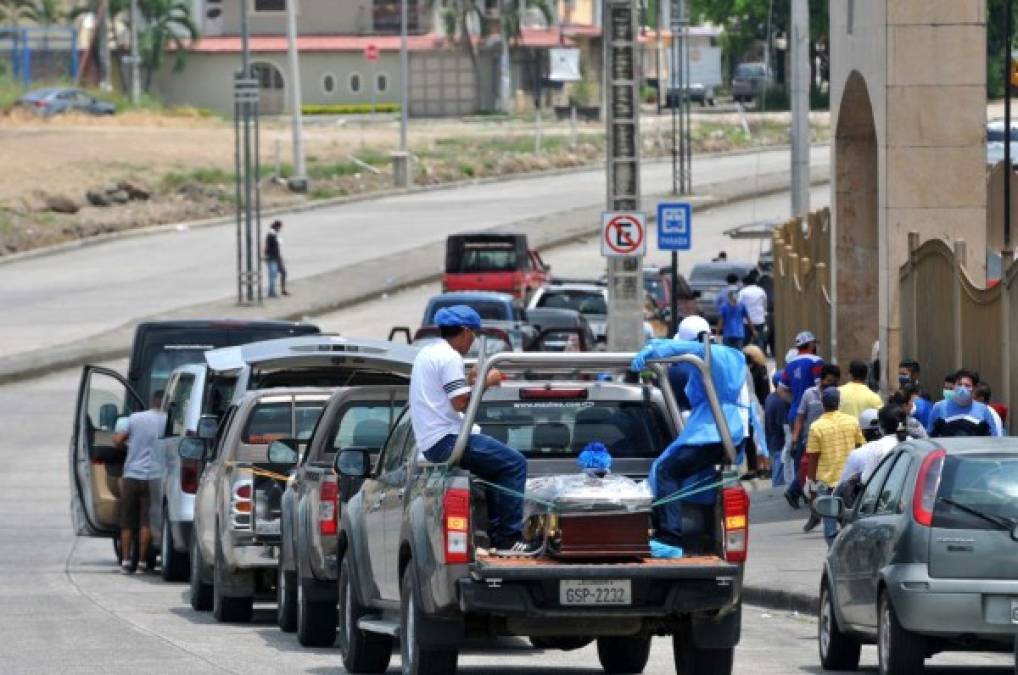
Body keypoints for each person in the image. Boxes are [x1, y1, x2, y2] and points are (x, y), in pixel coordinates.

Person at [629, 319, 767, 546]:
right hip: (716, 430)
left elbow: (696, 350)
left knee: (666, 471)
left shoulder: (720, 356)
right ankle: (699, 535)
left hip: (714, 431)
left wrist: (660, 348)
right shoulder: (709, 361)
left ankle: (670, 536)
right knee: (688, 477)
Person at [408, 305, 528, 551]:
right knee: (515, 464)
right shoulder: (449, 357)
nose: (472, 342)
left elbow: (451, 397)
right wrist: (486, 381)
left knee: (497, 470)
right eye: (473, 335)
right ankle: (508, 537)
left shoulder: (428, 353)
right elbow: (461, 402)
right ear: (464, 332)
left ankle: (496, 536)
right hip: (447, 440)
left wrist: (471, 382)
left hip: (433, 441)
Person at [111, 390, 166, 574]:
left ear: (152, 401)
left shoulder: (135, 418)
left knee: (127, 521)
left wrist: (127, 446)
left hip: (132, 475)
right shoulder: (168, 420)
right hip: (154, 477)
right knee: (146, 522)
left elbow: (117, 440)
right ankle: (142, 562)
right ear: (164, 402)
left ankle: (126, 561)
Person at [804, 387, 865, 546]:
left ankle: (834, 553)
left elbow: (813, 458)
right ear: (839, 403)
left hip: (826, 483)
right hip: (850, 482)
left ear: (823, 405)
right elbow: (860, 447)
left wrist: (810, 484)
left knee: (830, 529)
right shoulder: (852, 421)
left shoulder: (816, 427)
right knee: (849, 524)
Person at [785, 362, 839, 510]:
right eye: (828, 381)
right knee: (808, 468)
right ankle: (797, 492)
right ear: (821, 379)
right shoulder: (809, 394)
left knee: (814, 469)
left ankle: (803, 494)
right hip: (810, 439)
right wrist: (795, 440)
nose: (830, 384)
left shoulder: (837, 395)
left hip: (829, 439)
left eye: (834, 381)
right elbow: (800, 417)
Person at [928, 369, 1001, 438]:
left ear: (974, 388)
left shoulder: (983, 410)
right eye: (959, 384)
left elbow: (992, 439)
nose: (962, 388)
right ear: (954, 386)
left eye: (967, 386)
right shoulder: (939, 408)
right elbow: (930, 437)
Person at [764, 372, 790, 487]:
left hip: (772, 442)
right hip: (779, 444)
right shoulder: (779, 403)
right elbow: (784, 426)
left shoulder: (771, 397)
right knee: (779, 477)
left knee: (777, 470)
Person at [897, 359, 932, 428]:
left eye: (904, 374)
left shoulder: (923, 393)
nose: (900, 377)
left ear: (915, 375)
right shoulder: (899, 391)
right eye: (899, 374)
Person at [738, 274, 768, 350]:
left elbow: (739, 305)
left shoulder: (743, 292)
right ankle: (761, 354)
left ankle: (745, 355)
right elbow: (765, 303)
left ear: (745, 283)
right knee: (759, 340)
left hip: (746, 321)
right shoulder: (761, 290)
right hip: (759, 319)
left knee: (746, 341)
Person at [264, 220, 288, 298]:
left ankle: (282, 290)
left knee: (283, 272)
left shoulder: (275, 234)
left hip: (277, 257)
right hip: (271, 258)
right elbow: (266, 247)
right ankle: (272, 293)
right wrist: (265, 255)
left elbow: (277, 246)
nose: (280, 229)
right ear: (277, 227)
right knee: (273, 275)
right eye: (280, 227)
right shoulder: (271, 235)